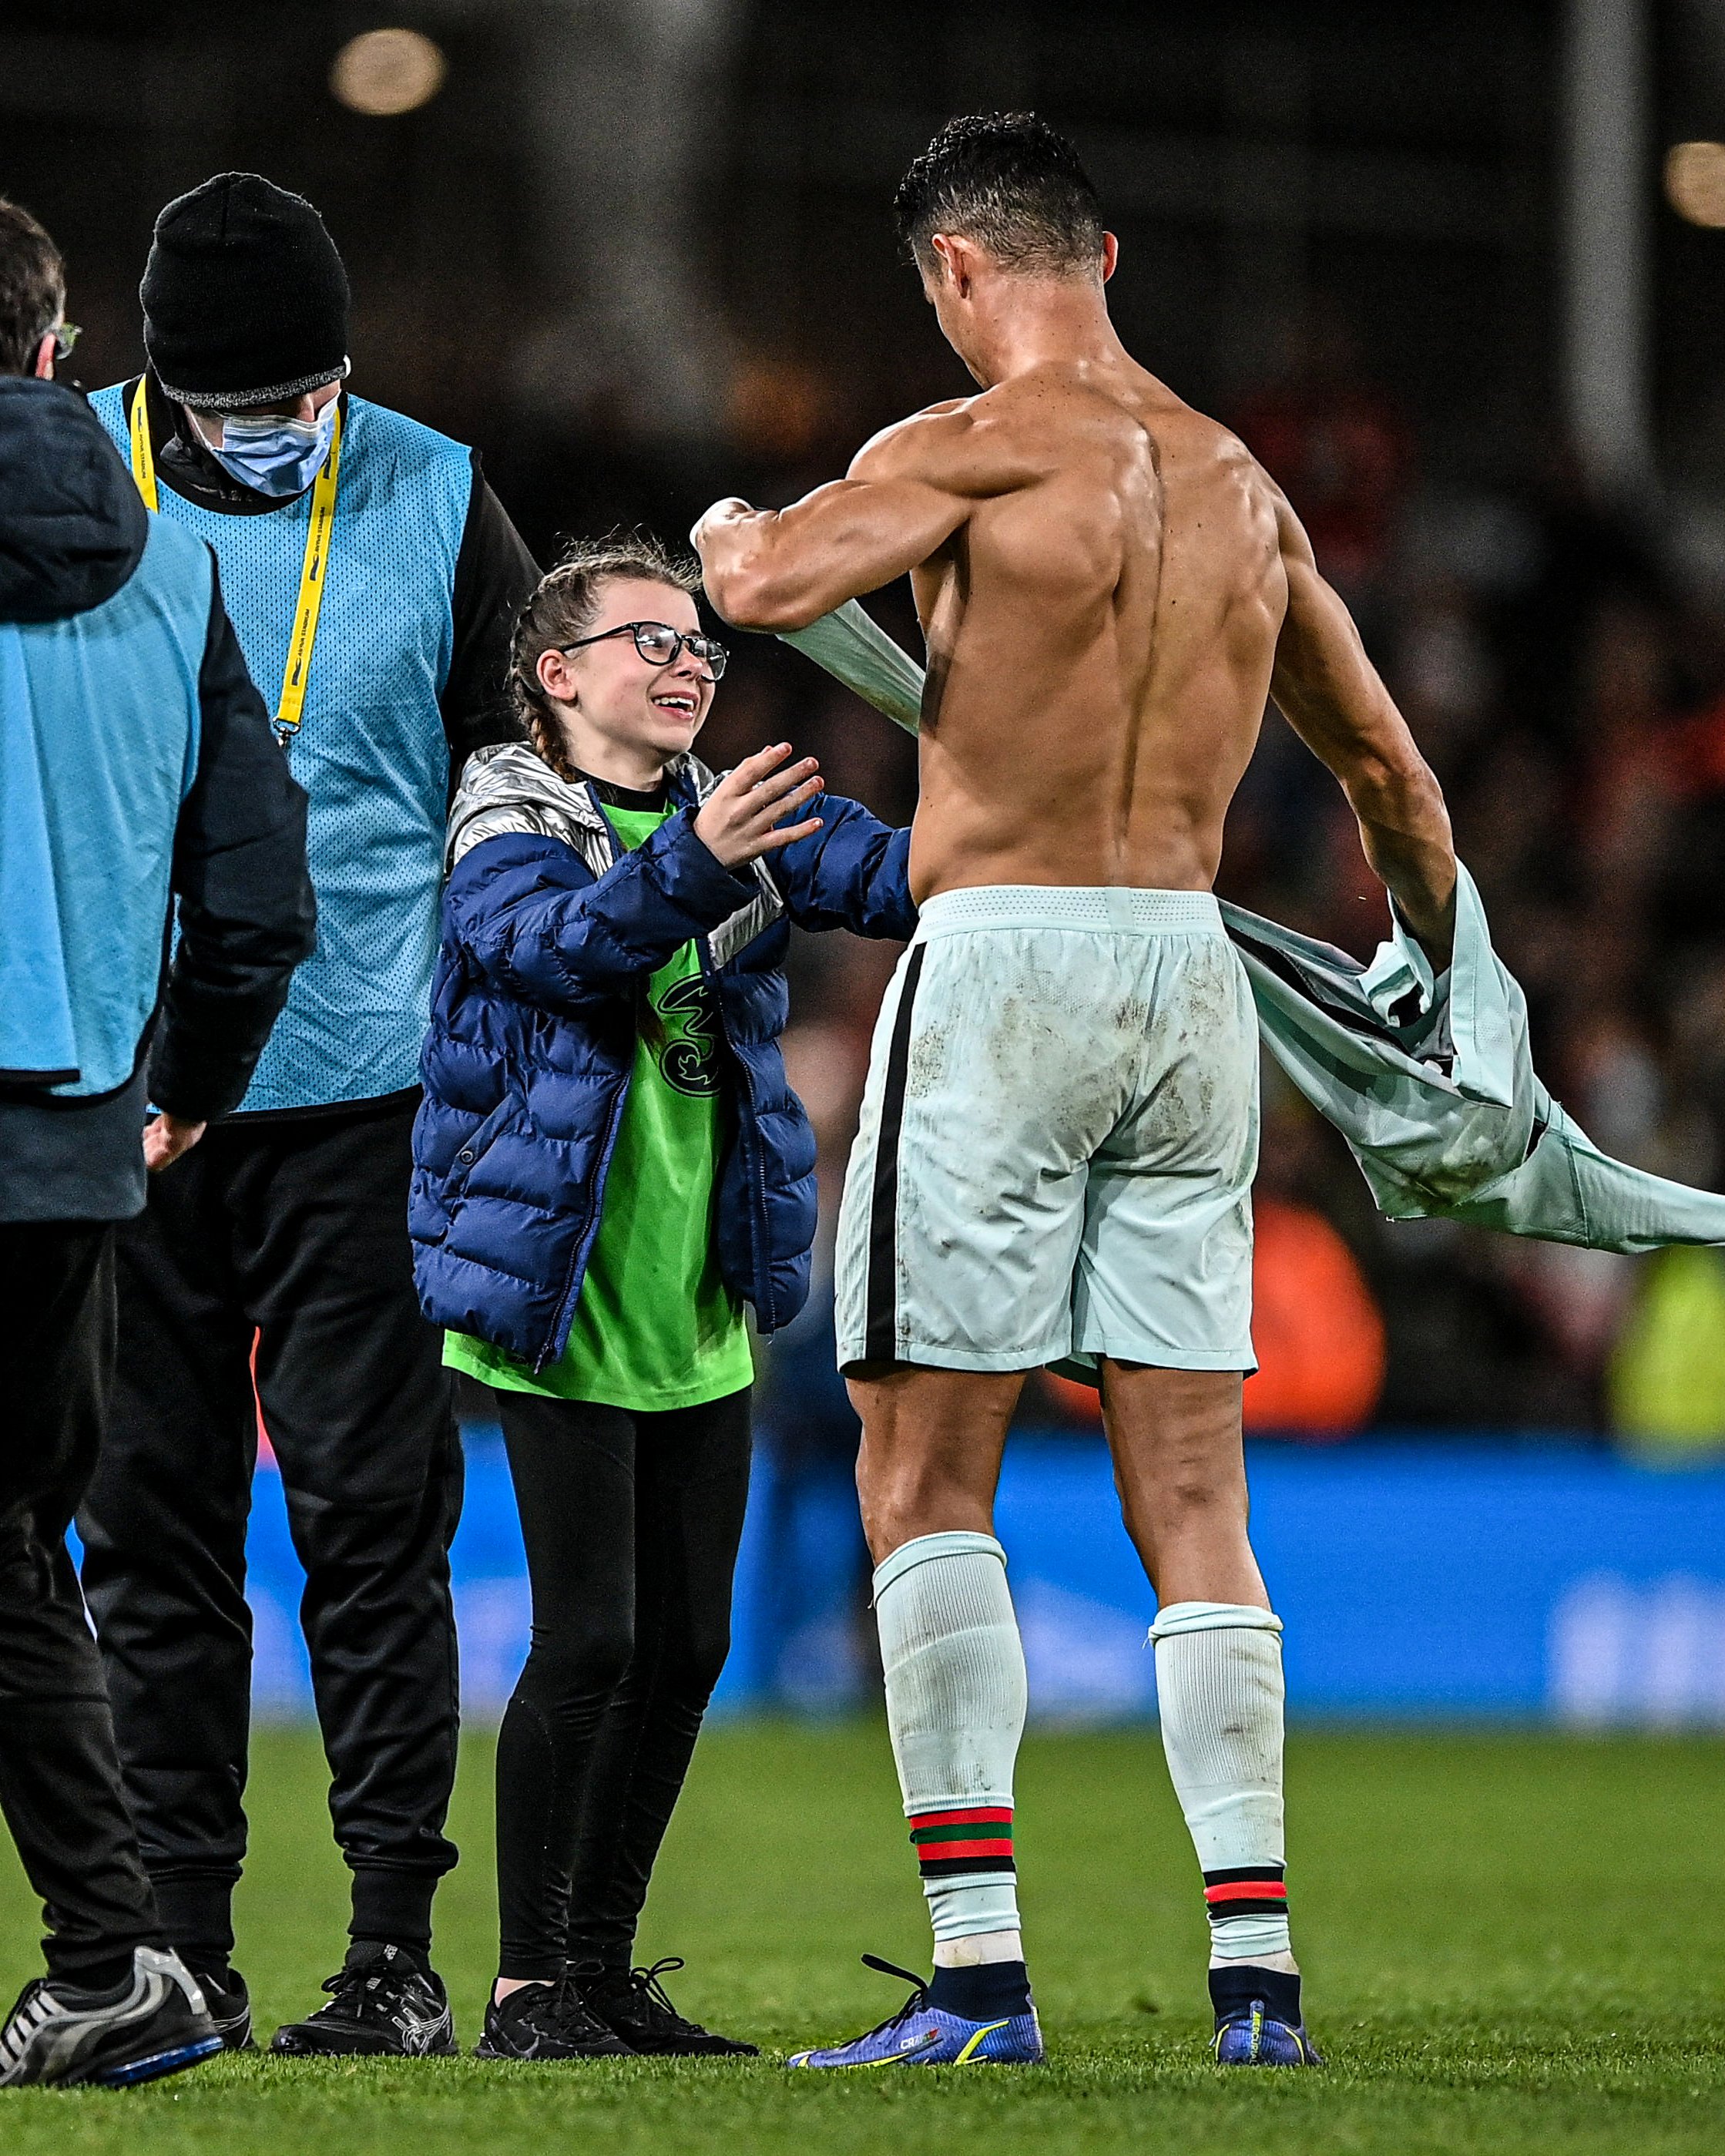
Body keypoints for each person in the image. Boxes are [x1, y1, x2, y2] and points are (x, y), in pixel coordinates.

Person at [694, 112, 1458, 2069]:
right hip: (1186, 975)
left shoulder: (958, 449)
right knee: (1195, 1488)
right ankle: (1259, 1987)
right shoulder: (1245, 494)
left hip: (1006, 963)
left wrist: (724, 543)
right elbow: (1391, 786)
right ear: (1101, 255)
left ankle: (975, 1979)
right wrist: (1450, 989)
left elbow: (775, 591)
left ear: (958, 272)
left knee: (914, 1473)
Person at [76, 172, 540, 2057]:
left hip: (363, 1094)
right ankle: (180, 1942)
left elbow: (532, 767)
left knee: (370, 1528)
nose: (276, 432)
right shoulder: (64, 488)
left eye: (306, 394)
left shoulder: (436, 495)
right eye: (234, 405)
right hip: (123, 1101)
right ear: (157, 378)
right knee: (149, 1535)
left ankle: (389, 1950)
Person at [411, 535, 915, 2060]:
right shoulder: (509, 806)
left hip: (702, 1296)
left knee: (689, 1642)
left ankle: (602, 1969)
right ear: (559, 675)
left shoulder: (735, 809)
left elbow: (899, 874)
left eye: (698, 642)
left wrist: (1020, 783)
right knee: (588, 1641)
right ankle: (522, 1988)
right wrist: (704, 858)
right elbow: (558, 947)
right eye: (649, 640)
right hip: (564, 1289)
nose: (688, 660)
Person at [0, 197, 313, 2085]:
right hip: (75, 1156)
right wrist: (183, 1081)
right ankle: (113, 1961)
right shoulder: (180, 576)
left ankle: (115, 1957)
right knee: (22, 1554)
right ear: (57, 351)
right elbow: (260, 903)